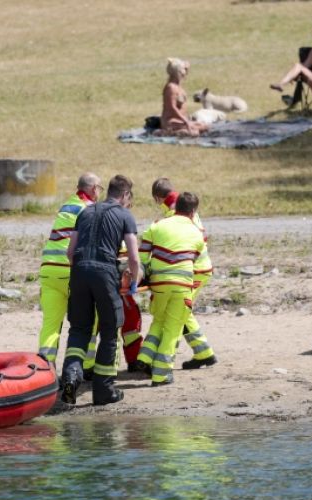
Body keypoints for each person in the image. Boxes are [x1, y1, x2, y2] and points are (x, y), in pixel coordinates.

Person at [60, 175, 142, 406]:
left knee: (79, 330)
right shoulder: (125, 215)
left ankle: (69, 383)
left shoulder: (85, 212)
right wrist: (134, 283)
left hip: (79, 271)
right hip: (104, 272)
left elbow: (70, 252)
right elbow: (134, 258)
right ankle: (103, 390)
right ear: (125, 195)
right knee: (109, 328)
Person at [135, 178, 215, 375]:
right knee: (180, 312)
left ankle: (153, 359)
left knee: (172, 316)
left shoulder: (173, 212)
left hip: (190, 270)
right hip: (195, 267)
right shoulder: (181, 205)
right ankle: (203, 352)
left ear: (157, 197)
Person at [38, 173, 103, 370]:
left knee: (51, 324)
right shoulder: (89, 210)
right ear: (93, 189)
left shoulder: (67, 205)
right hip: (70, 271)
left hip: (49, 270)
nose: (100, 192)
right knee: (89, 320)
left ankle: (44, 370)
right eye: (100, 188)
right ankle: (88, 365)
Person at [159, 58, 208, 137]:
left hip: (181, 120)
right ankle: (165, 132)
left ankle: (182, 129)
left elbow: (184, 75)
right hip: (171, 121)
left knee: (205, 126)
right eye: (183, 70)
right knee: (194, 133)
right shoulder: (171, 88)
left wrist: (186, 67)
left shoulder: (177, 84)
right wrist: (186, 121)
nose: (184, 72)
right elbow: (172, 107)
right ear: (177, 72)